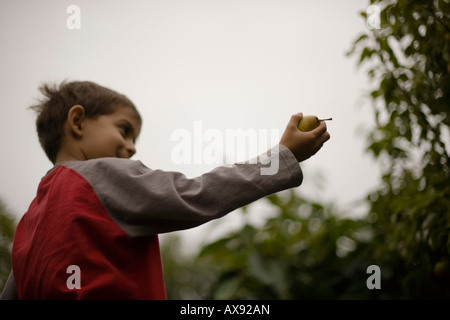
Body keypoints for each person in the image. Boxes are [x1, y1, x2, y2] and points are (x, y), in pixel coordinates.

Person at [0, 80, 330, 299]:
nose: (130, 148)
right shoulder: (99, 176)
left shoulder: (28, 225)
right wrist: (281, 157)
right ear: (77, 121)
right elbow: (194, 194)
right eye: (124, 130)